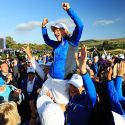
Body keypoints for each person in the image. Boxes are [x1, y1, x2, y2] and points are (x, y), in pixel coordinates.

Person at [41, 2, 83, 106]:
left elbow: (80, 25)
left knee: (61, 105)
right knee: (42, 99)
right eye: (54, 31)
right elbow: (47, 40)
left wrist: (69, 10)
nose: (55, 32)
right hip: (51, 77)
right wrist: (43, 28)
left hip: (62, 81)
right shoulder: (56, 44)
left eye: (57, 30)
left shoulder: (72, 42)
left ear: (65, 31)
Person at [65, 45, 97, 125]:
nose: (72, 88)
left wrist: (83, 72)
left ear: (83, 87)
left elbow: (92, 95)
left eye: (76, 86)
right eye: (71, 84)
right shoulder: (69, 98)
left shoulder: (87, 101)